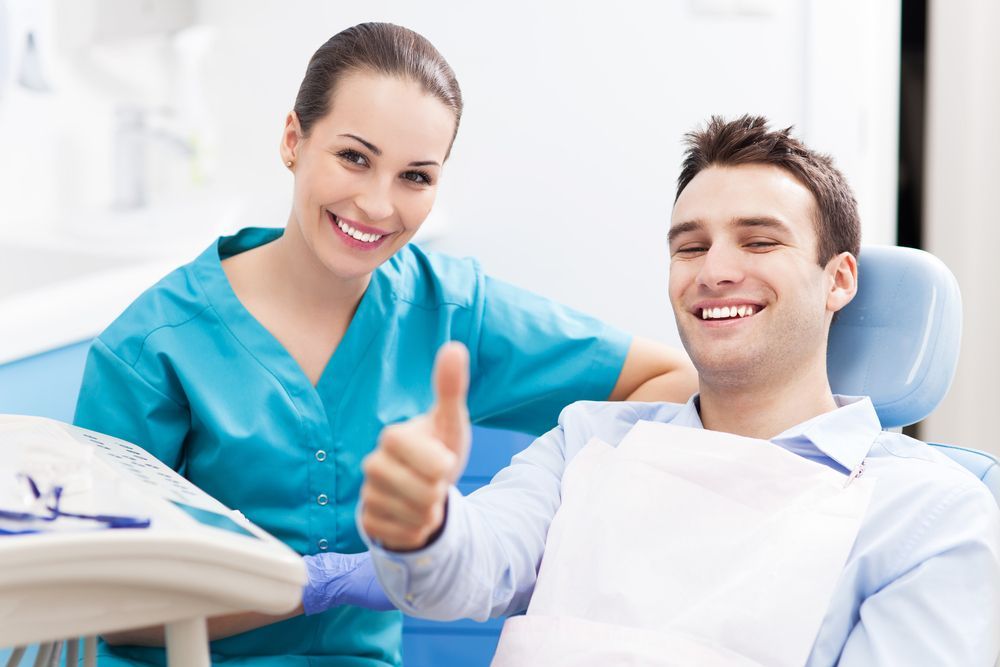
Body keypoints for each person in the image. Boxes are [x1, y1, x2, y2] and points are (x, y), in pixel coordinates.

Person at [72, 22, 696, 667]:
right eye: (354, 157)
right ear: (293, 140)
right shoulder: (154, 348)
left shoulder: (450, 309)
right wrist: (314, 586)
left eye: (415, 177)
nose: (376, 204)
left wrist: (506, 521)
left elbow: (671, 383)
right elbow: (106, 606)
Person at [359, 116, 1000, 666]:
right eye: (690, 247)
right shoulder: (586, 440)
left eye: (759, 241)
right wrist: (423, 525)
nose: (716, 272)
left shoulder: (927, 515)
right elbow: (465, 572)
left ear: (838, 281)